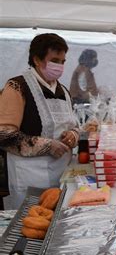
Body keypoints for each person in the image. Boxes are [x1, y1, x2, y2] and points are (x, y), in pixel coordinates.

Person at [0, 33, 78, 209]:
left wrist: (72, 134)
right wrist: (47, 145)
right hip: (29, 176)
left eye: (63, 61)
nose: (59, 66)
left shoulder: (63, 90)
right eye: (55, 60)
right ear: (36, 59)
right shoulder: (16, 87)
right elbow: (4, 135)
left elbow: (74, 125)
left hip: (61, 174)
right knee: (31, 225)